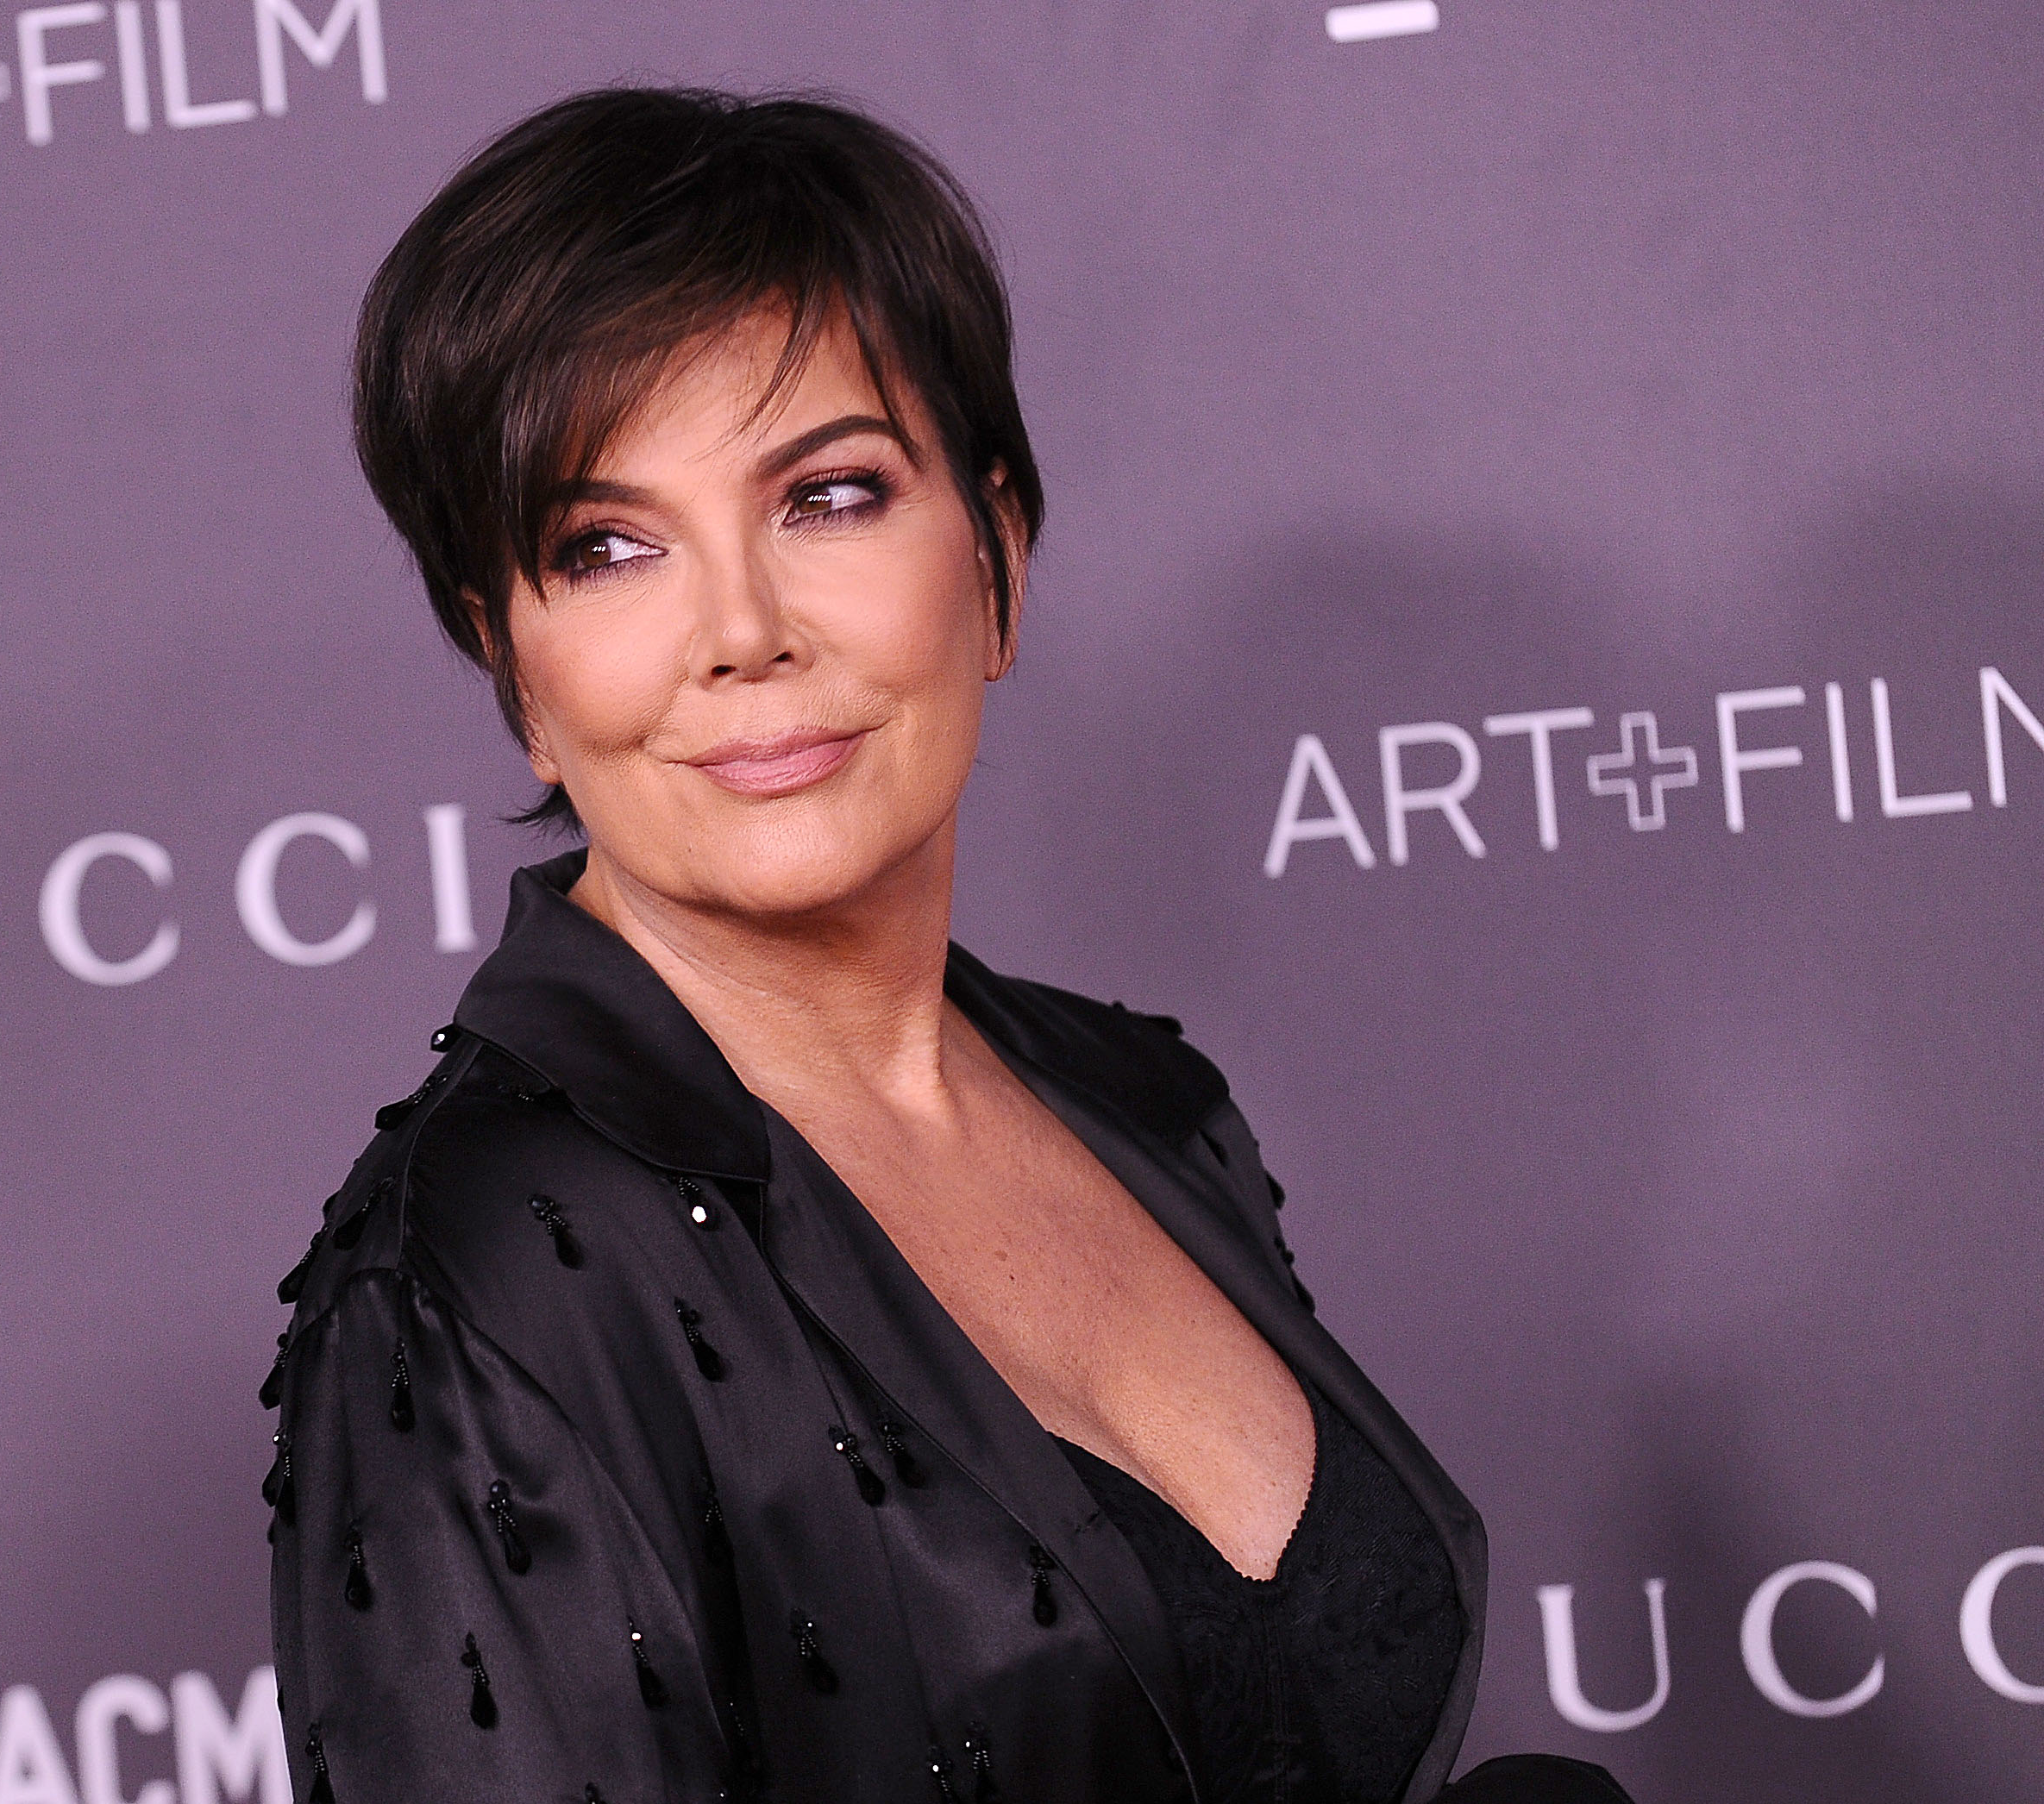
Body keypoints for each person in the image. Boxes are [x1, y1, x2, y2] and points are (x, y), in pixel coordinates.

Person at [265, 86, 1629, 1804]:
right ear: (511, 662)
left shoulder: (1145, 1101)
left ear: (992, 552)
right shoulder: (481, 1272)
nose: (740, 632)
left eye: (826, 496)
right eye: (606, 547)